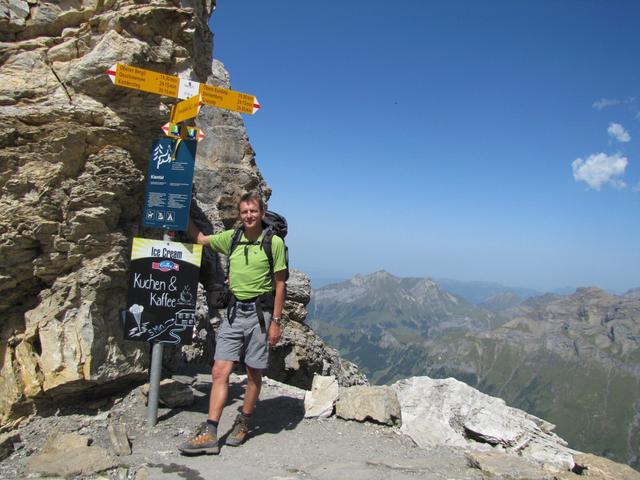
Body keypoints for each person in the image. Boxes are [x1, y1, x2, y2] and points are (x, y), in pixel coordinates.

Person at [178, 192, 287, 455]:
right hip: (234, 313)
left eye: (253, 211)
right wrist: (181, 214)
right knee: (219, 371)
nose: (249, 216)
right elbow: (202, 239)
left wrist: (275, 321)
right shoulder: (233, 238)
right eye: (244, 212)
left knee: (253, 373)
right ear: (240, 214)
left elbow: (281, 282)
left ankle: (244, 420)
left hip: (260, 317)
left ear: (261, 213)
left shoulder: (273, 243)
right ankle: (211, 431)